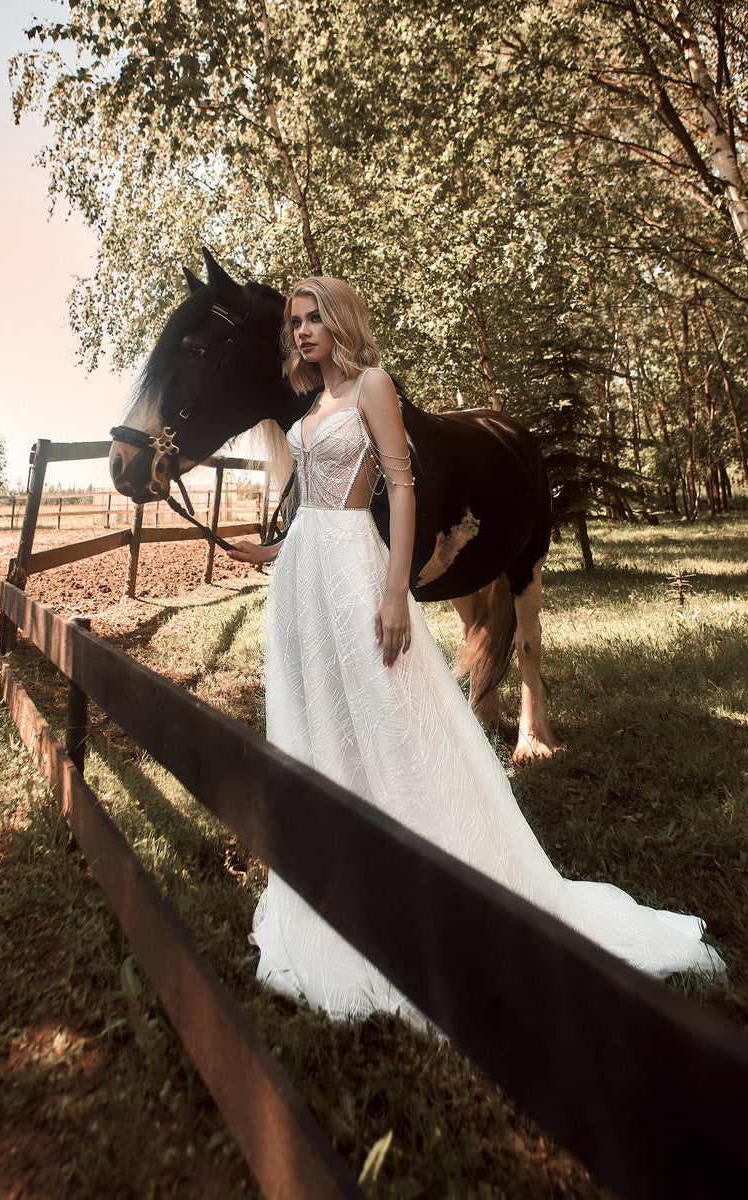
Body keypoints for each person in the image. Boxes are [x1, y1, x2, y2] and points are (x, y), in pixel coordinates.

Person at [226, 276, 725, 1026]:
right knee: (319, 711)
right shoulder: (310, 407)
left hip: (358, 570)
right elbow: (311, 508)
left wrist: (396, 592)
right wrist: (265, 555)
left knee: (387, 709)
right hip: (303, 576)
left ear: (339, 322)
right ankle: (333, 861)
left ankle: (421, 867)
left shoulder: (373, 386)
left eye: (313, 319)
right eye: (294, 322)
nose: (300, 332)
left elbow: (400, 487)